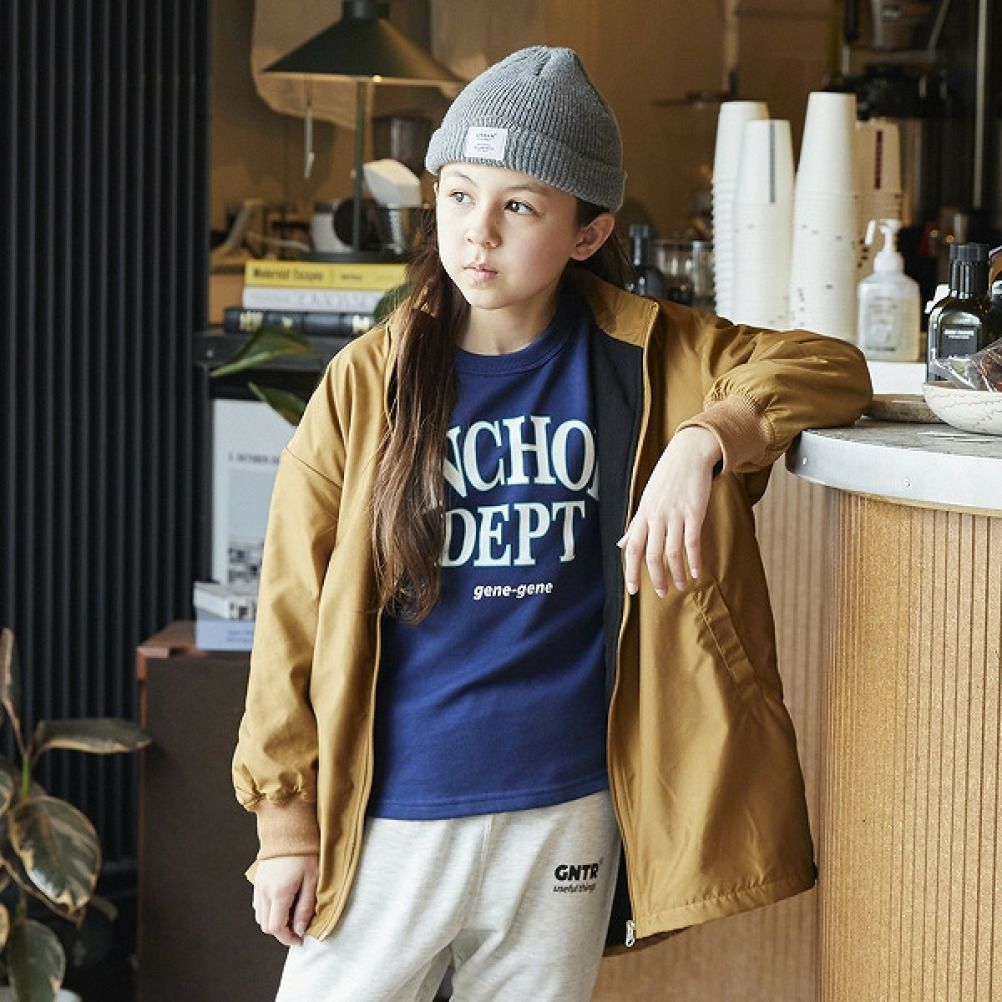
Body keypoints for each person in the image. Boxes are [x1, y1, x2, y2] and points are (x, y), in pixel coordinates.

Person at [232, 45, 872, 1002]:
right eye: (458, 196)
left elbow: (831, 368)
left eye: (520, 206)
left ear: (587, 232)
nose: (478, 232)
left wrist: (705, 439)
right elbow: (290, 606)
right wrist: (286, 824)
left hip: (567, 806)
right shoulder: (367, 382)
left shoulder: (652, 356)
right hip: (394, 809)